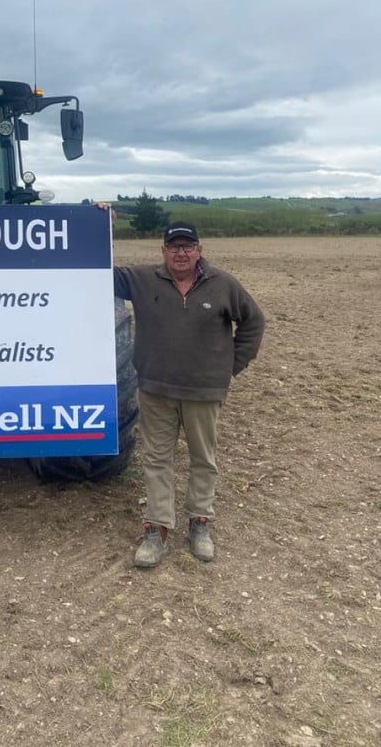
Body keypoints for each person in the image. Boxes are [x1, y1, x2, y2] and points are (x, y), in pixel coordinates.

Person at [106, 216, 265, 568]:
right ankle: (158, 527)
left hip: (203, 392)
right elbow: (98, 269)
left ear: (199, 250)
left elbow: (254, 321)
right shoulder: (142, 279)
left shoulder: (223, 284)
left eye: (187, 246)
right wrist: (99, 219)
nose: (181, 253)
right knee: (157, 459)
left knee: (202, 459)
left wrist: (230, 367)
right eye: (174, 246)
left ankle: (200, 521)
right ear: (163, 250)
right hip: (155, 390)